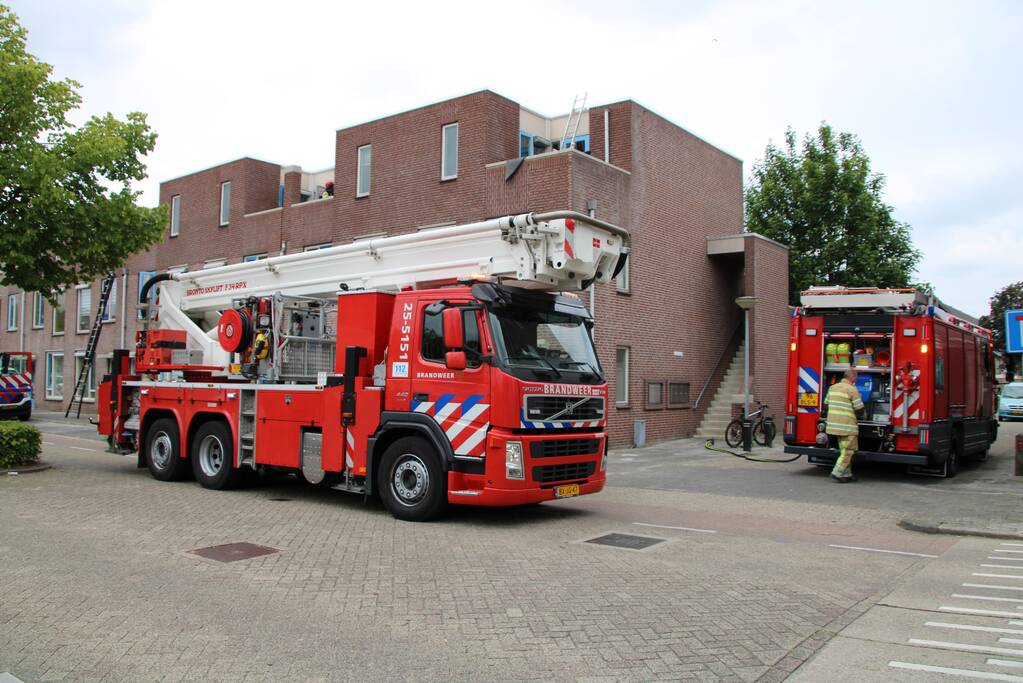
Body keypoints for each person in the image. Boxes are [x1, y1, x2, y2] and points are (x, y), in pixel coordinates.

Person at [825, 368, 864, 483]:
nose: (856, 379)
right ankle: (837, 472)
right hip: (847, 427)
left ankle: (847, 474)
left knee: (844, 450)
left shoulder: (833, 387)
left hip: (833, 426)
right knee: (848, 451)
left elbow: (826, 405)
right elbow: (859, 410)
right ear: (851, 377)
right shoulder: (852, 390)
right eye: (856, 376)